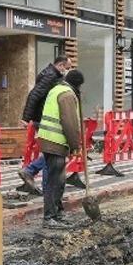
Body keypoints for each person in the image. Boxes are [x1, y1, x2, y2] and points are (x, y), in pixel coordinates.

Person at [36, 69, 84, 227]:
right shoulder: (68, 95)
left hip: (48, 140)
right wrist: (75, 146)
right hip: (55, 141)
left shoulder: (56, 89)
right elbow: (69, 122)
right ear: (78, 85)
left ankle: (57, 213)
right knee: (55, 181)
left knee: (58, 179)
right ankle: (50, 217)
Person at [19, 55, 72, 194]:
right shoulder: (50, 75)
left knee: (51, 153)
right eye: (67, 68)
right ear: (60, 65)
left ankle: (39, 179)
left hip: (45, 119)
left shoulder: (50, 73)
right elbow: (34, 95)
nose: (67, 71)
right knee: (53, 153)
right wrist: (26, 118)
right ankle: (40, 180)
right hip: (46, 120)